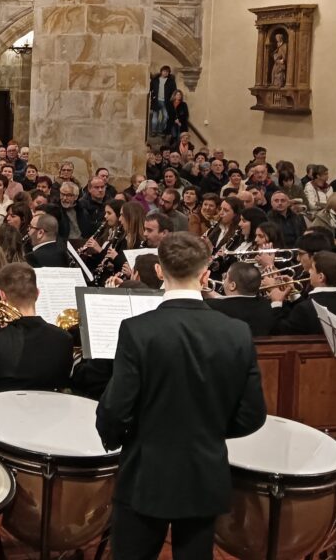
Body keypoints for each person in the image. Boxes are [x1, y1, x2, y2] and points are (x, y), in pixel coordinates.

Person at [97, 232, 267, 560]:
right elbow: (252, 414)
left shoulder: (137, 330)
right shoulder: (237, 332)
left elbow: (115, 409)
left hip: (145, 472)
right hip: (204, 472)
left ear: (159, 271)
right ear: (205, 275)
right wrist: (209, 431)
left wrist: (117, 439)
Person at [0, 263, 72, 393]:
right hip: (49, 405)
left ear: (2, 295)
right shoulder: (64, 339)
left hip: (1, 405)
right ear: (37, 293)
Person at [269, 251, 336, 334]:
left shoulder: (304, 308)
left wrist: (276, 303)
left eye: (312, 268)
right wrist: (294, 293)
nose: (309, 271)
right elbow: (310, 312)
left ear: (321, 277)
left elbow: (278, 331)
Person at [206, 262, 276, 337]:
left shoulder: (212, 307)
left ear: (232, 286)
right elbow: (233, 301)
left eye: (226, 277)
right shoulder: (265, 303)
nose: (224, 279)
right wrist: (208, 291)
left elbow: (226, 304)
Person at [149, 66, 176, 137]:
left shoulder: (171, 81)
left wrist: (171, 100)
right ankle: (154, 131)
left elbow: (174, 92)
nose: (165, 73)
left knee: (166, 116)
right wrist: (153, 97)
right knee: (155, 117)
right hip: (156, 101)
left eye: (167, 72)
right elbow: (149, 89)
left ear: (169, 73)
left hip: (166, 102)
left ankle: (161, 130)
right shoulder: (155, 80)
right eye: (164, 71)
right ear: (161, 71)